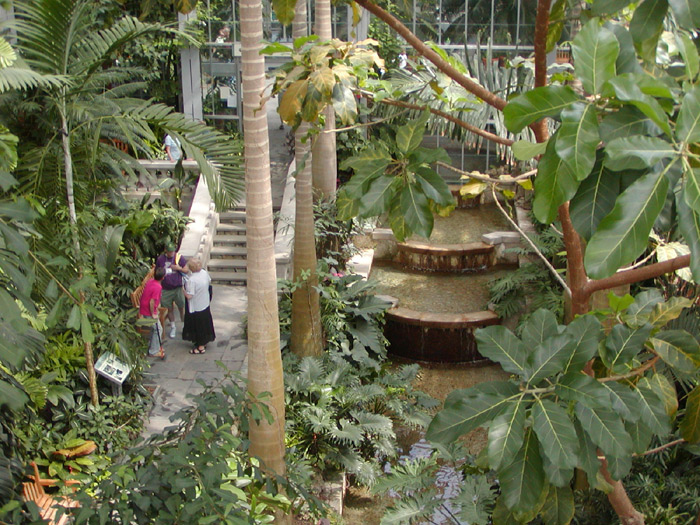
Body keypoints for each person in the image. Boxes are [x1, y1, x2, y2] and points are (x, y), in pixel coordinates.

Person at [182, 258, 215, 354]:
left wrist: (183, 290)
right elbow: (209, 281)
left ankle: (200, 347)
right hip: (205, 302)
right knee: (205, 324)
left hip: (196, 306)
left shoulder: (192, 280)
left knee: (198, 326)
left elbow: (189, 296)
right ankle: (204, 342)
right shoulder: (204, 273)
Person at [156, 243, 187, 339]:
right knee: (169, 308)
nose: (171, 253)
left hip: (177, 287)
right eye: (169, 252)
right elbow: (157, 273)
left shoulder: (179, 258)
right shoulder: (161, 259)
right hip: (166, 289)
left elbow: (186, 270)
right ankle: (173, 326)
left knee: (182, 306)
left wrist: (179, 268)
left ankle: (184, 325)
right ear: (166, 250)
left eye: (173, 251)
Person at [139, 266, 166, 358]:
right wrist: (153, 313)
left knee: (156, 328)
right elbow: (152, 302)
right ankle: (153, 351)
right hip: (148, 311)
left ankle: (156, 346)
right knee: (158, 329)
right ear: (163, 277)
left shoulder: (151, 281)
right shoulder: (157, 287)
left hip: (144, 308)